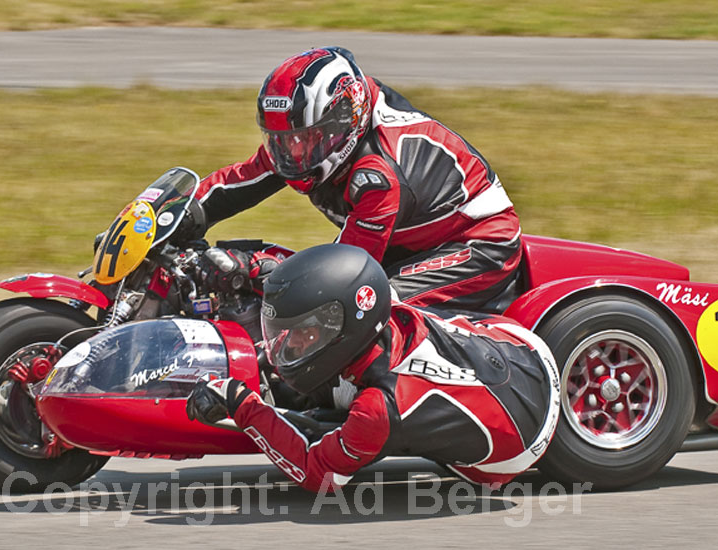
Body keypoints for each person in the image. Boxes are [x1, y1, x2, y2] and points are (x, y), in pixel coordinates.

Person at [186, 244, 560, 492]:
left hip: (508, 454)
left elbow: (319, 475)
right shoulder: (380, 309)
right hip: (520, 344)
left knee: (321, 416)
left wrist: (242, 405)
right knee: (396, 299)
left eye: (302, 334)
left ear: (339, 330)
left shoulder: (378, 408)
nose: (288, 344)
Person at [197, 46, 522, 311]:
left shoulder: (377, 176)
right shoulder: (312, 139)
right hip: (407, 240)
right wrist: (178, 211)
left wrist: (257, 265)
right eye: (281, 139)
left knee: (365, 305)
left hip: (475, 244)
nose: (292, 152)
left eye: (306, 139)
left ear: (343, 123)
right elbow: (240, 179)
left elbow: (339, 272)